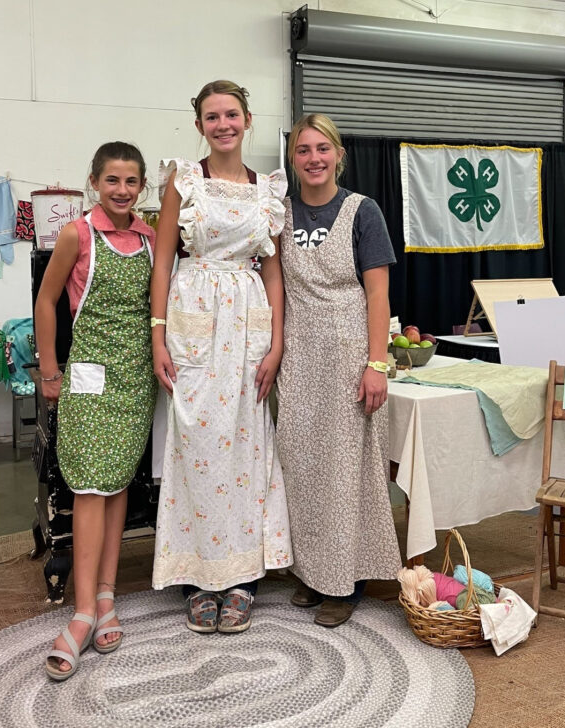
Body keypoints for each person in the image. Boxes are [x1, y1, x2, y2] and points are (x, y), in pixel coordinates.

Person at [150, 80, 293, 633]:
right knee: (197, 444)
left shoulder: (268, 191)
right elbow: (163, 260)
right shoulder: (183, 181)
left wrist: (277, 342)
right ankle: (198, 576)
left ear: (248, 119)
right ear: (200, 125)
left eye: (231, 114)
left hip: (250, 322)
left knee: (247, 447)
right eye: (213, 117)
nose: (223, 124)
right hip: (194, 317)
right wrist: (158, 334)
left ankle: (242, 578)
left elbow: (273, 271)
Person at [35, 142, 157, 679]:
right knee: (88, 485)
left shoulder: (151, 239)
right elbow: (46, 301)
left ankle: (107, 596)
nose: (122, 190)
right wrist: (49, 369)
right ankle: (84, 610)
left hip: (133, 381)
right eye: (112, 180)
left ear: (142, 188)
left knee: (117, 484)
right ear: (94, 182)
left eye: (131, 182)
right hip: (86, 377)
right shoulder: (76, 234)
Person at [277, 114, 402, 628]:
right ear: (293, 160)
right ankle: (313, 571)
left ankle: (347, 581)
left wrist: (376, 363)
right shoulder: (279, 214)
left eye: (322, 148)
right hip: (298, 357)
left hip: (350, 355)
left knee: (347, 471)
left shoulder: (362, 212)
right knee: (302, 467)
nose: (313, 158)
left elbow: (378, 293)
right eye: (303, 150)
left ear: (339, 154)